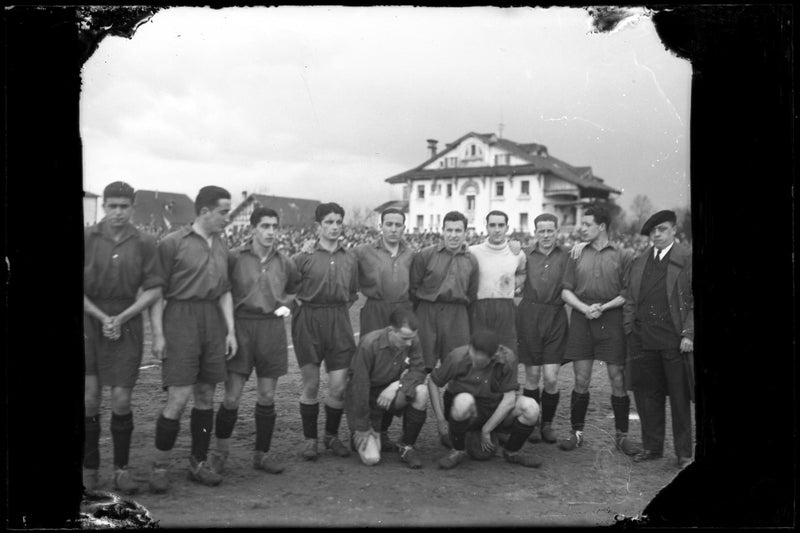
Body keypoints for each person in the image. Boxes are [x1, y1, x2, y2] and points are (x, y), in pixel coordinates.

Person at [148, 186, 237, 492]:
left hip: (212, 320)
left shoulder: (222, 244)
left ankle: (197, 463)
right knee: (179, 397)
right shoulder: (172, 243)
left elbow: (225, 291)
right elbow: (157, 292)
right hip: (180, 318)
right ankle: (159, 465)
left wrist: (230, 331)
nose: (227, 218)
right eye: (224, 212)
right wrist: (158, 334)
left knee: (206, 395)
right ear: (204, 211)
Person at [83, 181, 164, 494]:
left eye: (124, 206)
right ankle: (90, 468)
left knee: (121, 399)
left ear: (133, 208)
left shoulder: (145, 241)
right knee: (90, 397)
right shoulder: (87, 237)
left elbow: (154, 289)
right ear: (104, 206)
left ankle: (121, 469)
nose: (118, 212)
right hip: (89, 320)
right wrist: (103, 318)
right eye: (112, 206)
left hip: (127, 320)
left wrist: (121, 317)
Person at [208, 207, 300, 477]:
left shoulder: (285, 261)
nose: (270, 232)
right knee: (232, 396)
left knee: (267, 395)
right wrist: (228, 329)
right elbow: (222, 291)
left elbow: (295, 288)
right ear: (252, 229)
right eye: (265, 226)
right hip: (242, 326)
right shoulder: (235, 257)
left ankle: (262, 454)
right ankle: (219, 453)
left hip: (271, 329)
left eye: (274, 226)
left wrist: (285, 305)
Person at [558, 204, 640, 455]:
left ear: (602, 226)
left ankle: (622, 436)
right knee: (581, 379)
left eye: (587, 224)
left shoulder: (623, 255)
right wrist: (585, 308)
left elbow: (627, 293)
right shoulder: (576, 253)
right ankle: (576, 433)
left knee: (617, 378)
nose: (582, 228)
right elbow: (565, 291)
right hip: (582, 319)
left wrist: (603, 307)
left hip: (611, 319)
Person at [623, 210, 694, 469]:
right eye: (653, 231)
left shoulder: (687, 258)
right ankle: (652, 447)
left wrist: (688, 333)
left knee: (679, 399)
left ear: (674, 230)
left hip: (675, 342)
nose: (657, 234)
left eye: (662, 229)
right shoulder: (640, 260)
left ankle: (684, 454)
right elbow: (630, 298)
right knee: (647, 396)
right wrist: (630, 329)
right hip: (643, 340)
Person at [291, 202, 359, 460]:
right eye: (329, 222)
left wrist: (335, 310)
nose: (334, 227)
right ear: (318, 226)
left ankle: (331, 436)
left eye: (338, 222)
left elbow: (352, 294)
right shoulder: (302, 257)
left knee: (339, 385)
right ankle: (310, 440)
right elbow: (287, 289)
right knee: (311, 384)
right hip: (308, 320)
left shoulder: (350, 257)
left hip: (339, 320)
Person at [409, 211, 479, 448]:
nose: (453, 235)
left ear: (465, 232)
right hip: (427, 313)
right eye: (449, 230)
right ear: (442, 230)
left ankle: (453, 427)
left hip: (457, 314)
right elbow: (413, 288)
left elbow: (472, 294)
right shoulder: (426, 255)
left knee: (458, 369)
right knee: (421, 369)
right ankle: (412, 434)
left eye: (458, 230)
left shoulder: (471, 260)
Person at [429, 329, 543, 469]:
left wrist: (487, 429)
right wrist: (441, 419)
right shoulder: (457, 357)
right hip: (468, 411)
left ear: (493, 357)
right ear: (470, 347)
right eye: (473, 355)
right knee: (463, 401)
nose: (474, 363)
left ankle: (512, 452)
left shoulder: (507, 358)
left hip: (494, 405)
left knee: (531, 407)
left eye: (480, 362)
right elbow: (433, 382)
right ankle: (458, 450)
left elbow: (509, 401)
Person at [345, 308, 428, 469]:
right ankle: (362, 434)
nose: (409, 343)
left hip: (389, 393)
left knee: (421, 392)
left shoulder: (411, 339)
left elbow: (419, 370)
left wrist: (397, 385)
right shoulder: (369, 344)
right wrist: (362, 426)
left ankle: (406, 446)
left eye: (412, 338)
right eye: (405, 338)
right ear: (391, 331)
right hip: (366, 398)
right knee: (372, 458)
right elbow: (359, 385)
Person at [516, 213, 570, 444]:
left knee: (550, 376)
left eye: (550, 231)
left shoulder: (568, 254)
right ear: (535, 232)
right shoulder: (524, 254)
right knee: (532, 375)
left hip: (556, 315)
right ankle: (533, 422)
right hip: (529, 315)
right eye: (541, 231)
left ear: (557, 231)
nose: (546, 235)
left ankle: (547, 423)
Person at [468, 210, 526, 354]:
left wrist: (512, 284)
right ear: (486, 227)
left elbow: (522, 272)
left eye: (501, 225)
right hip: (480, 308)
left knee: (507, 353)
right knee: (481, 353)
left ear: (507, 227)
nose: (497, 229)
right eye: (492, 225)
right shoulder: (473, 252)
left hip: (506, 308)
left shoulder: (517, 254)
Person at [352, 207, 415, 337]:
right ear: (381, 226)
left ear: (404, 228)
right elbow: (341, 259)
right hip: (375, 309)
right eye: (389, 224)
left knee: (401, 346)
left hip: (403, 309)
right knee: (373, 346)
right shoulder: (364, 251)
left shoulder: (411, 254)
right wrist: (313, 246)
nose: (393, 229)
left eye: (398, 225)